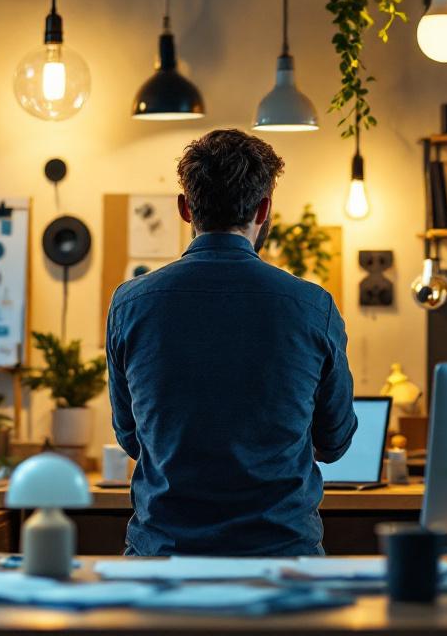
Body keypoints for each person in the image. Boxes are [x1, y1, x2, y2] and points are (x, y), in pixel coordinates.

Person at [106, 129, 358, 557]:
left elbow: (132, 438)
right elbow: (334, 443)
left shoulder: (130, 304)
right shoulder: (313, 307)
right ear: (264, 209)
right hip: (282, 561)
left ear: (185, 208)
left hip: (162, 561)